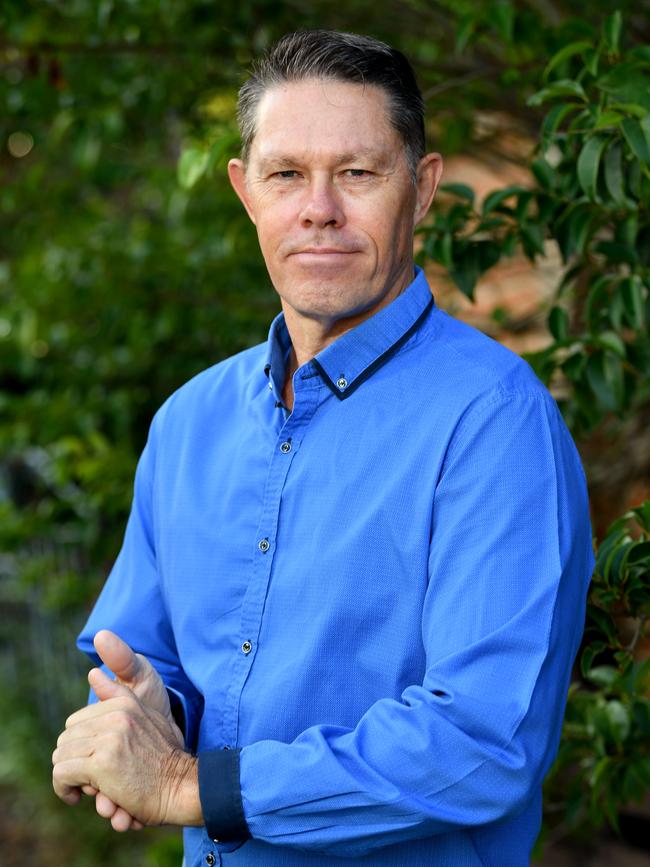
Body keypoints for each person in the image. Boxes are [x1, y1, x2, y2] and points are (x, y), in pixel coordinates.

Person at [52, 30, 595, 866]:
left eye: (357, 173)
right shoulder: (188, 421)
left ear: (423, 190)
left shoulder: (494, 422)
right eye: (286, 174)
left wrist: (188, 788)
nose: (318, 208)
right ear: (246, 193)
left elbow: (482, 741)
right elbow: (149, 660)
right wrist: (142, 714)